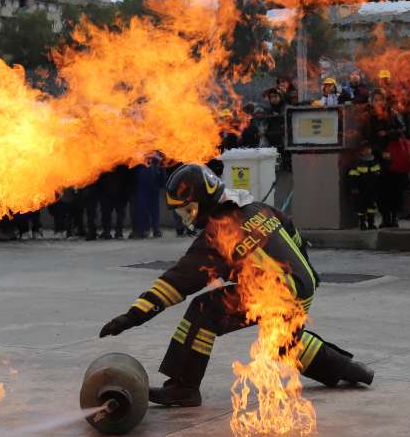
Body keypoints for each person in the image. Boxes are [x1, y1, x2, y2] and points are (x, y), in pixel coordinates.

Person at [98, 163, 373, 407]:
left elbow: (176, 283)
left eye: (188, 210)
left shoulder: (218, 236)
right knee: (282, 342)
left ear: (204, 200)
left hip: (274, 293)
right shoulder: (256, 208)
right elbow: (293, 233)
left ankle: (184, 387)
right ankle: (350, 369)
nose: (187, 219)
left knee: (204, 310)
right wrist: (306, 272)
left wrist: (132, 316)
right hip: (304, 284)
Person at [364, 89, 409, 228]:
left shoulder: (393, 114)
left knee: (395, 189)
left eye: (381, 99)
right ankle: (385, 218)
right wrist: (379, 151)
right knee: (380, 190)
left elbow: (402, 129)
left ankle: (394, 217)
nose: (378, 102)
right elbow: (369, 137)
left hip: (394, 157)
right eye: (375, 100)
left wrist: (388, 133)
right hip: (378, 159)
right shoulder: (369, 117)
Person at [346, 140, 381, 231]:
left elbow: (379, 174)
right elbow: (353, 176)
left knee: (372, 206)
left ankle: (371, 223)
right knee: (361, 207)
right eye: (365, 150)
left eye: (368, 149)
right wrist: (354, 187)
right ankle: (362, 223)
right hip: (361, 189)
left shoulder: (375, 161)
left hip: (372, 189)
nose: (367, 151)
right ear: (361, 151)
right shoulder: (357, 162)